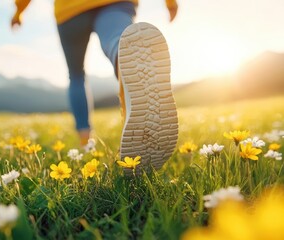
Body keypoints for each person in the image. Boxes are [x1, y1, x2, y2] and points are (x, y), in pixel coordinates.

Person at [11, 0, 179, 172]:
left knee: (76, 75)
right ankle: (124, 58)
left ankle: (85, 142)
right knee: (117, 41)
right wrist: (170, 4)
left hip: (69, 10)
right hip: (115, 3)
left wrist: (19, 12)